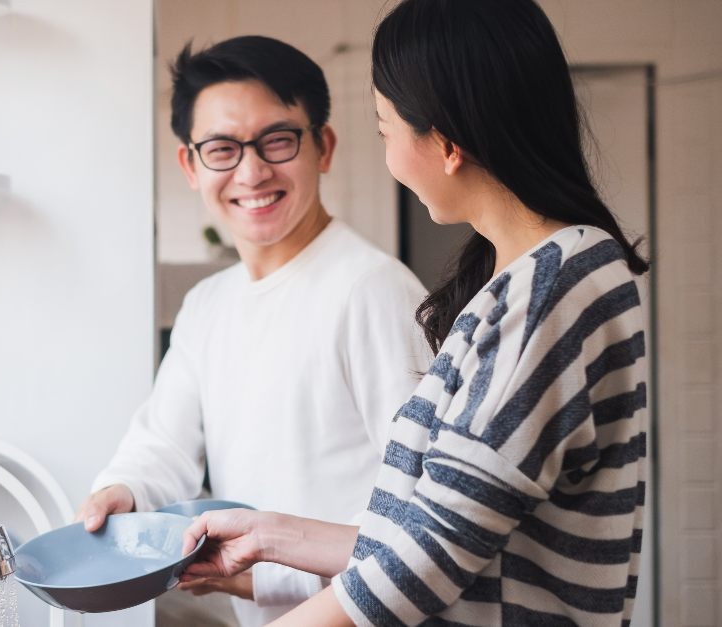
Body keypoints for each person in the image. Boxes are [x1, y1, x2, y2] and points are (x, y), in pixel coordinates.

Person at [180, 1, 651, 625]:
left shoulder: (550, 291)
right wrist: (267, 536)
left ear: (447, 142)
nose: (388, 157)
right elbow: (427, 528)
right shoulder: (526, 282)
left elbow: (430, 558)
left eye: (385, 128)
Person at [76, 36, 431, 625]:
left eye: (277, 139)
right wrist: (125, 492)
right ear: (190, 165)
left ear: (324, 146)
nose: (252, 170)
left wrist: (253, 577)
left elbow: (425, 519)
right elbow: (163, 446)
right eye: (221, 148)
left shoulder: (373, 291)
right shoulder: (208, 305)